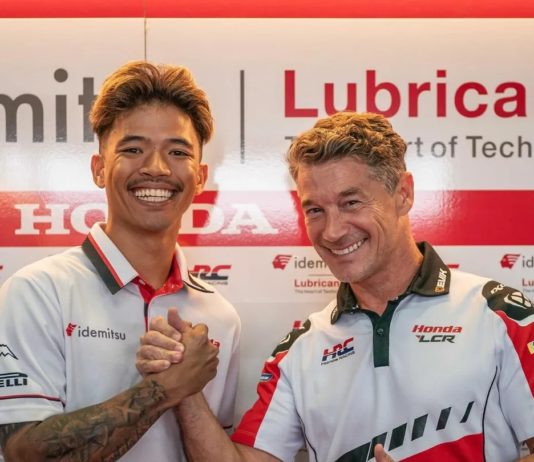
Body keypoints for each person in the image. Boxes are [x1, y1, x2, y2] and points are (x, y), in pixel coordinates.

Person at [137, 112, 534, 461]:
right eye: (315, 210)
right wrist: (184, 389)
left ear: (403, 194)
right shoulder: (300, 348)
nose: (332, 231)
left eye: (351, 203)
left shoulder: (501, 316)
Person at [0, 61, 240, 461]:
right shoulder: (38, 291)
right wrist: (165, 388)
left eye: (177, 151)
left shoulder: (220, 316)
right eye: (133, 149)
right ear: (99, 169)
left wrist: (186, 393)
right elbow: (24, 451)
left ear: (200, 177)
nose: (156, 168)